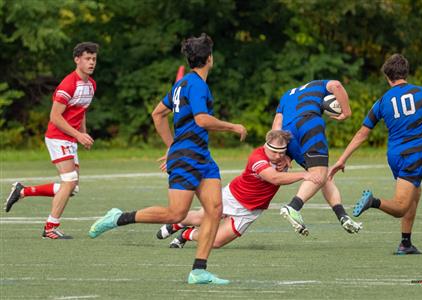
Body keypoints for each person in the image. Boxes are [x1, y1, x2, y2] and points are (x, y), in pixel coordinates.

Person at [88, 33, 247, 285]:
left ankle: (199, 270)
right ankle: (118, 217)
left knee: (215, 210)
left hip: (201, 157)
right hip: (187, 158)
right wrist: (234, 127)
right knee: (176, 214)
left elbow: (158, 114)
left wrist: (172, 146)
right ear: (209, 59)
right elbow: (202, 119)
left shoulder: (182, 83)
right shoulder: (195, 85)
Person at [328, 54, 422, 255]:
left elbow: (362, 134)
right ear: (406, 72)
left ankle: (405, 243)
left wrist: (341, 160)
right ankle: (373, 201)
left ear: (387, 77)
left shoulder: (382, 101)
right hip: (414, 153)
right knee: (401, 206)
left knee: (415, 193)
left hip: (394, 155)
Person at [156, 129, 322, 248]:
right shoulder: (257, 158)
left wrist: (288, 156)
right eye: (274, 152)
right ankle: (177, 223)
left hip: (252, 210)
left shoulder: (283, 156)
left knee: (216, 242)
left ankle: (186, 234)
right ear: (266, 146)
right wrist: (304, 175)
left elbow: (287, 148)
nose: (278, 156)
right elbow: (274, 178)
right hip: (234, 196)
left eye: (282, 152)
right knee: (201, 217)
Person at [4, 42, 99, 239]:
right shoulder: (68, 84)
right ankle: (50, 228)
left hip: (71, 138)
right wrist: (78, 135)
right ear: (77, 60)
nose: (91, 63)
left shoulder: (91, 85)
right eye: (87, 59)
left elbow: (81, 112)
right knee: (69, 181)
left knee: (72, 188)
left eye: (94, 59)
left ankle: (22, 191)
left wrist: (84, 134)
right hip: (58, 137)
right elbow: (55, 117)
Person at [272, 79, 361, 236]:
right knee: (319, 175)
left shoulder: (287, 95)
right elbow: (337, 86)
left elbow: (277, 124)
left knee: (323, 176)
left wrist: (282, 152)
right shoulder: (319, 84)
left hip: (287, 134)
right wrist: (346, 111)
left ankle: (343, 216)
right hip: (309, 123)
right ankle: (293, 207)